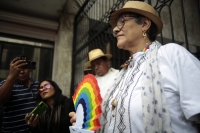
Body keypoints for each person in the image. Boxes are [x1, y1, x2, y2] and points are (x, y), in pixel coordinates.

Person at [70, 1, 200, 133]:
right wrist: (86, 122)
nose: (115, 29)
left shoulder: (170, 54)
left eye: (122, 21)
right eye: (116, 25)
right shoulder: (124, 73)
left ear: (144, 24)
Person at [0, 56, 39, 133]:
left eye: (25, 67)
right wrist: (11, 76)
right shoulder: (5, 84)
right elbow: (1, 100)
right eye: (18, 68)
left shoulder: (37, 84)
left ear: (30, 69)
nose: (21, 71)